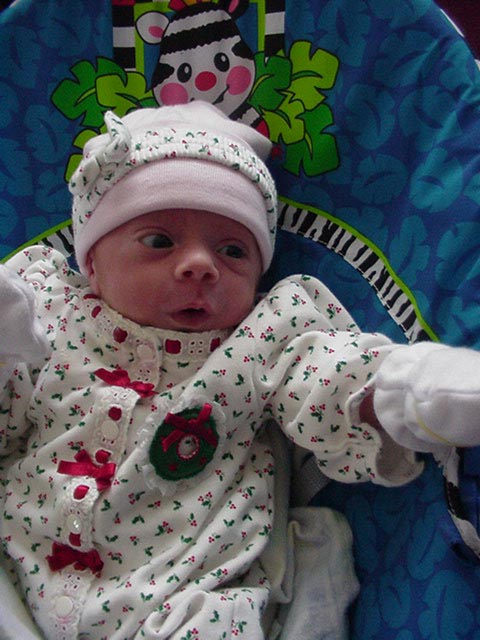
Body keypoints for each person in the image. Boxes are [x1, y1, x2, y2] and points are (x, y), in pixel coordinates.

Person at [0, 101, 479, 640]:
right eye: (159, 241)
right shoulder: (45, 313)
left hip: (182, 602)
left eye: (232, 250)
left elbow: (331, 380)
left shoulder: (264, 339)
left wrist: (412, 390)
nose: (201, 265)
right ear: (91, 263)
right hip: (19, 577)